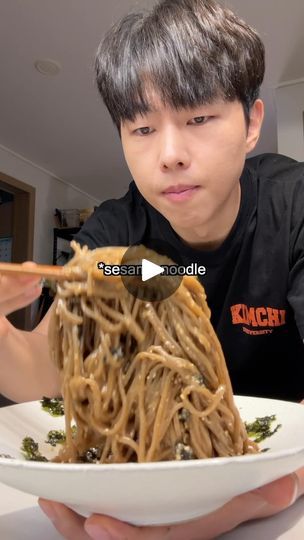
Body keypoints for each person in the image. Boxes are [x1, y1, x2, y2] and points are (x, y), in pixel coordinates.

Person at [1, 0, 304, 537]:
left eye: (200, 118)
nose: (169, 154)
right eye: (141, 128)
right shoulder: (114, 241)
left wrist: (261, 496)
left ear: (252, 123)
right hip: (146, 473)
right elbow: (50, 376)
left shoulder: (296, 204)